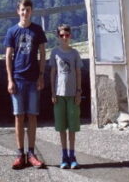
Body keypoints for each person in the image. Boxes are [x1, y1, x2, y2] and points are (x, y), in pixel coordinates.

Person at [5, 0, 47, 169]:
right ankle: (19, 153)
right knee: (18, 116)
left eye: (28, 9)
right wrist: (9, 79)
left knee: (32, 116)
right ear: (18, 11)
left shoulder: (37, 30)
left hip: (33, 79)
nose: (25, 13)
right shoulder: (12, 31)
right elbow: (8, 56)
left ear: (31, 11)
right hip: (18, 79)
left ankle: (31, 153)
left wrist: (41, 75)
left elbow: (43, 54)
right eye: (22, 9)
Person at [50, 23, 82, 169]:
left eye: (67, 35)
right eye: (62, 35)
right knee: (61, 126)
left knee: (72, 126)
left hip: (72, 94)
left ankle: (72, 155)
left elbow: (78, 72)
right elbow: (53, 73)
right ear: (58, 37)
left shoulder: (74, 53)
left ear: (70, 36)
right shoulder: (55, 52)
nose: (64, 38)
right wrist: (52, 92)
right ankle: (64, 155)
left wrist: (79, 91)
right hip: (59, 93)